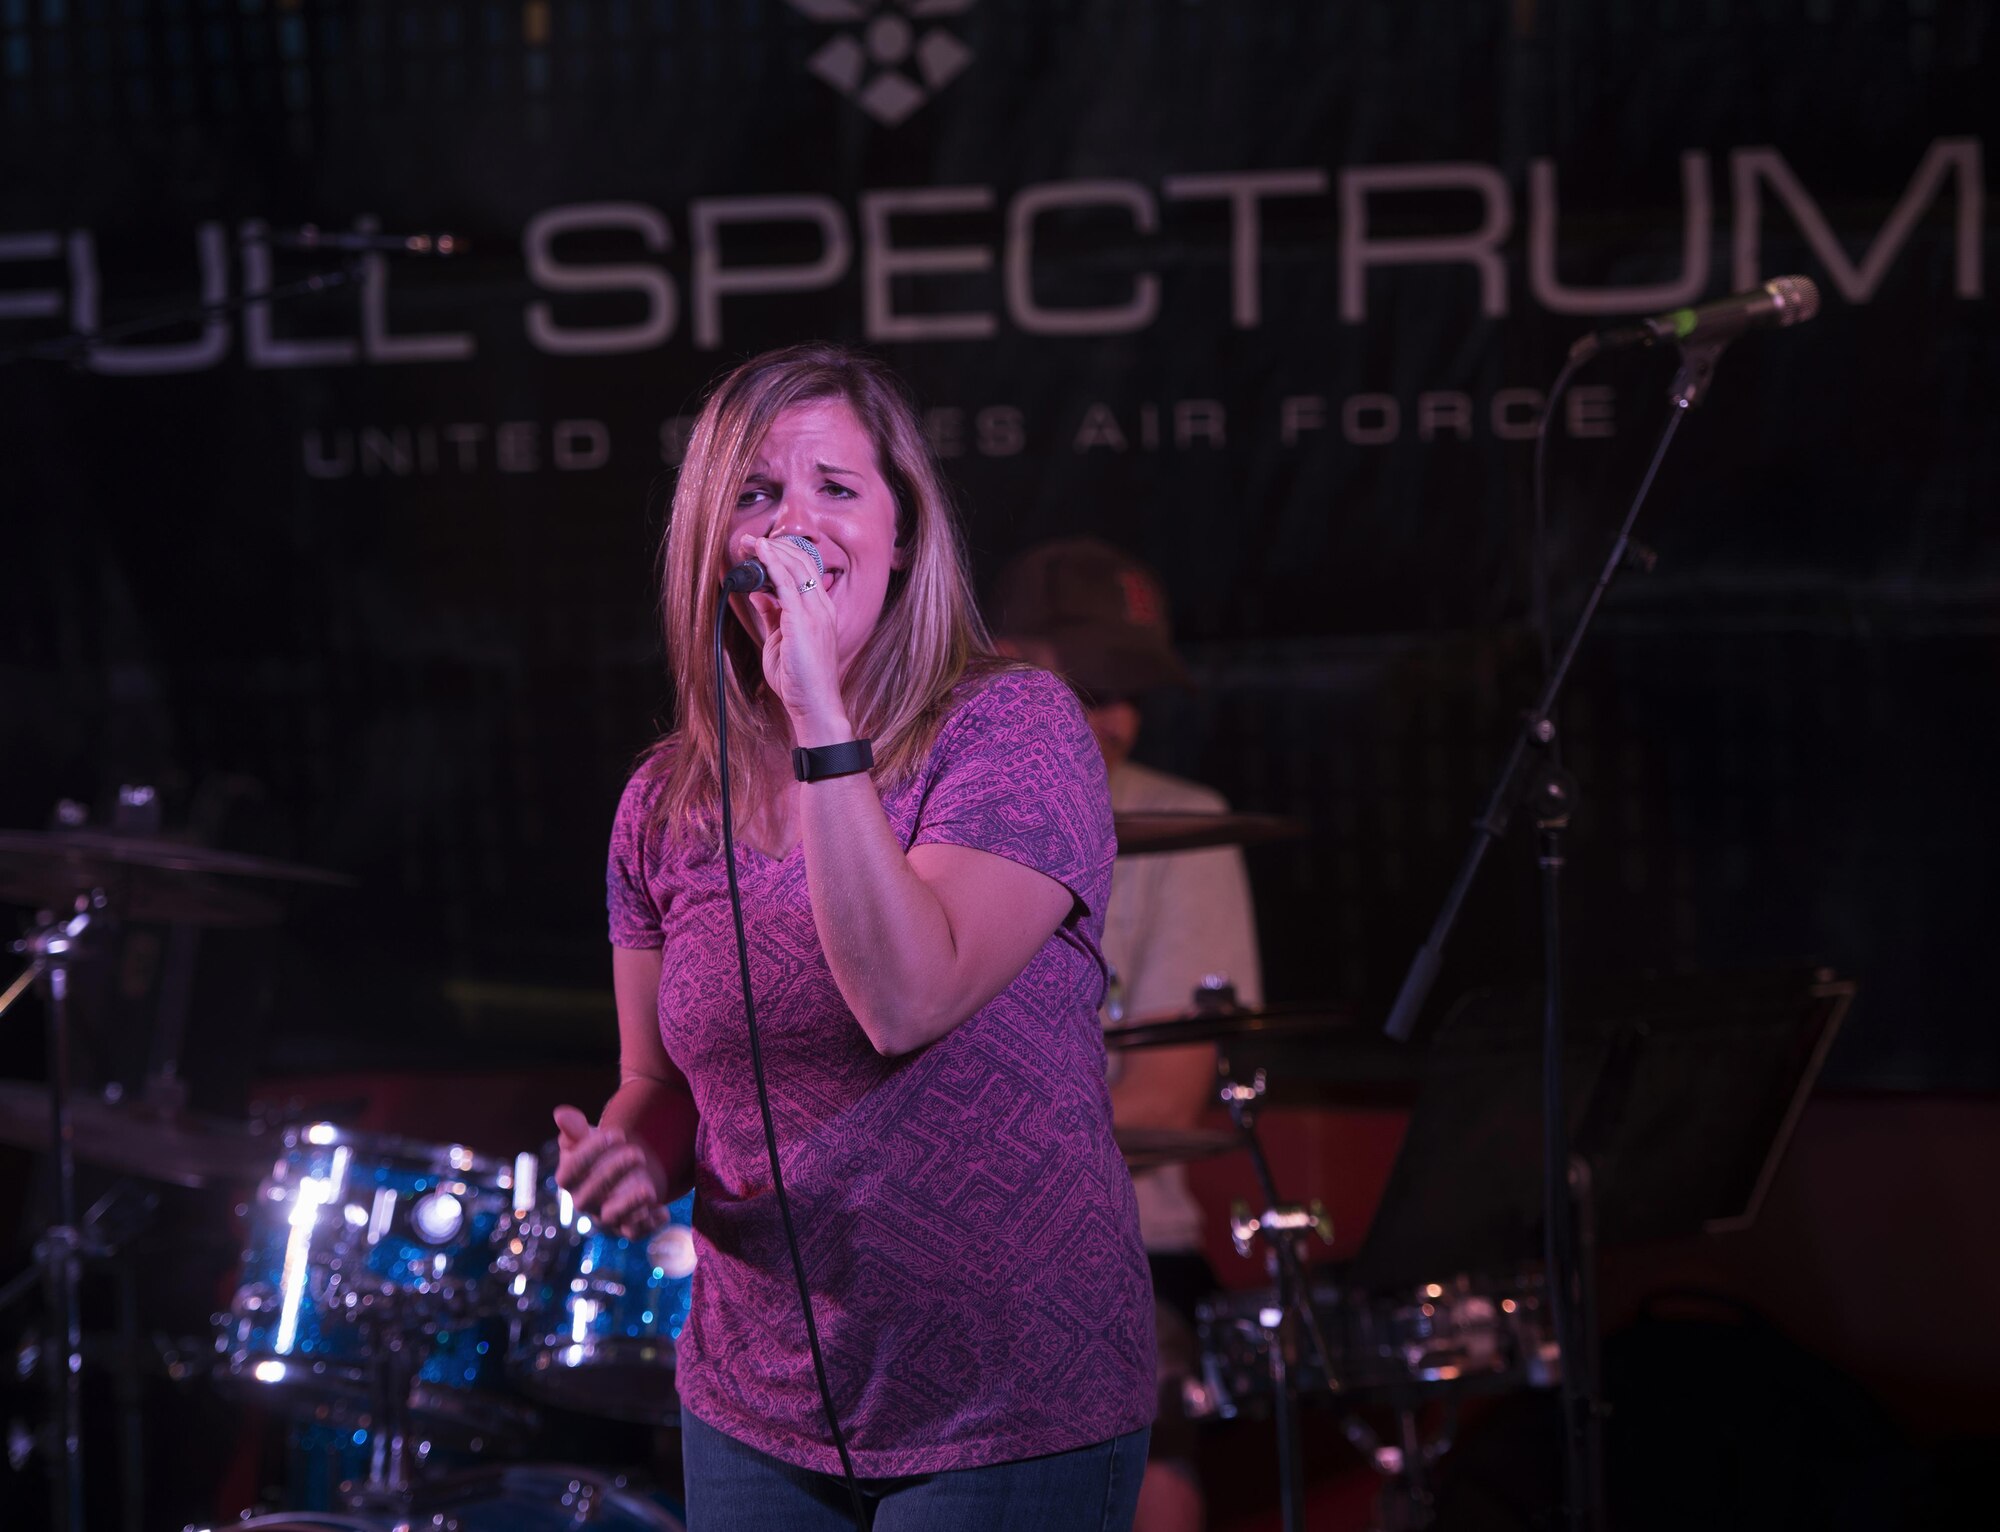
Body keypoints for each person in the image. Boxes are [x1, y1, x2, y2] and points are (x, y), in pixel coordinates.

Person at [552, 344, 1154, 1532]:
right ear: (710, 544)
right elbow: (656, 1085)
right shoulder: (665, 802)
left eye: (837, 486)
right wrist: (630, 1153)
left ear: (903, 529)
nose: (797, 522)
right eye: (758, 493)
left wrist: (820, 717)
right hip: (755, 1400)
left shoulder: (1013, 730)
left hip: (1006, 1403)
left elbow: (904, 997)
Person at [990, 538, 1263, 1532]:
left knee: (1147, 1478)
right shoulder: (914, 809)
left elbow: (1164, 1099)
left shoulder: (1183, 823)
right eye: (1096, 684)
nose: (1120, 717)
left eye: (1135, 691)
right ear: (1004, 657)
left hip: (1123, 1238)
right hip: (934, 1247)